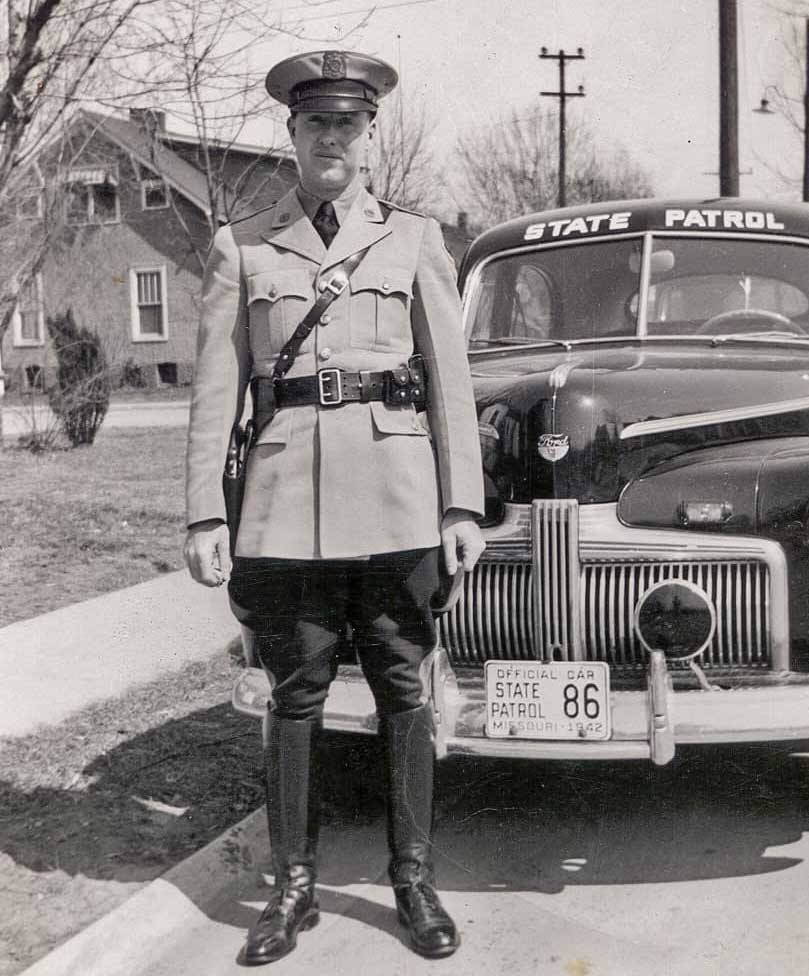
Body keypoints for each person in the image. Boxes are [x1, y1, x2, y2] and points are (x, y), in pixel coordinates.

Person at [182, 49, 485, 965]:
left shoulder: (415, 240)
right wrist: (205, 515)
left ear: (368, 136)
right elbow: (214, 392)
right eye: (316, 124)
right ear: (292, 134)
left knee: (402, 692)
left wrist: (459, 503)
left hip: (397, 504)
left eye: (347, 125)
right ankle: (293, 888)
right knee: (294, 698)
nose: (332, 140)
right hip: (285, 511)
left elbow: (450, 388)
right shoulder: (244, 247)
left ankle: (412, 880)